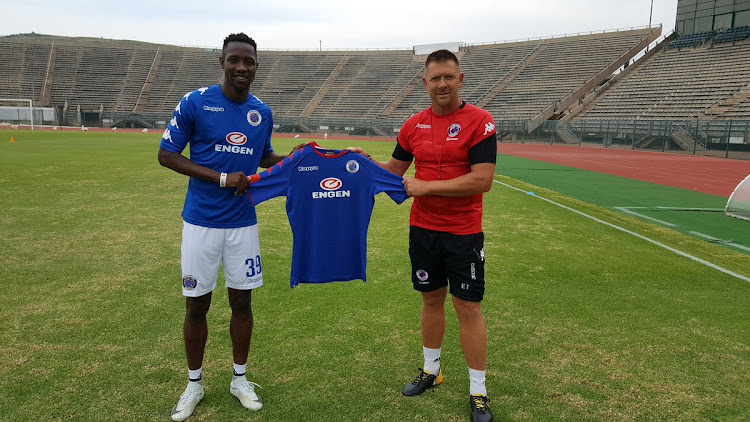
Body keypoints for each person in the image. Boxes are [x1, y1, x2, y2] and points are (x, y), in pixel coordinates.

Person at [158, 33, 304, 422]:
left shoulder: (261, 112)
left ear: (257, 66)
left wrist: (297, 160)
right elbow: (167, 155)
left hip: (243, 224)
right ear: (222, 61)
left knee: (242, 302)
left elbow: (263, 158)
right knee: (197, 305)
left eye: (249, 62)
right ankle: (194, 385)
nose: (242, 67)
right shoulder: (196, 101)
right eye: (235, 60)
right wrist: (221, 178)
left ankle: (239, 380)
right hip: (201, 222)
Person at [348, 49, 496, 422]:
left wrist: (427, 187)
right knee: (431, 300)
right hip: (423, 231)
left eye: (449, 77)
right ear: (424, 83)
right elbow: (395, 173)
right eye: (435, 78)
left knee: (468, 308)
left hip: (463, 234)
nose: (442, 84)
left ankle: (478, 392)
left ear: (460, 79)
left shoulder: (479, 121)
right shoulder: (413, 125)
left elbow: (483, 179)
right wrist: (366, 161)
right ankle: (431, 371)